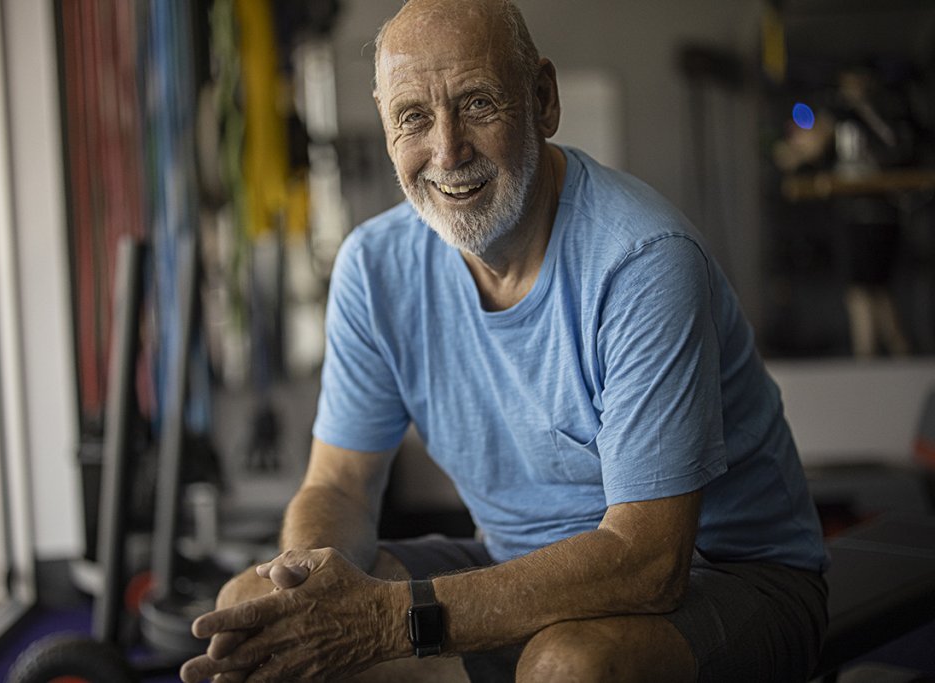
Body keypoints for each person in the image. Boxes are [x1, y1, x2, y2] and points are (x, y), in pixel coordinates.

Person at [181, 0, 829, 681]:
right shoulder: (374, 268)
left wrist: (386, 620)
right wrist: (304, 591)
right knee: (255, 611)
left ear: (542, 100)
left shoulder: (642, 260)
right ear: (384, 121)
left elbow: (649, 563)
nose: (447, 149)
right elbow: (340, 486)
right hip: (518, 560)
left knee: (569, 668)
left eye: (478, 103)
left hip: (728, 575)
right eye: (413, 117)